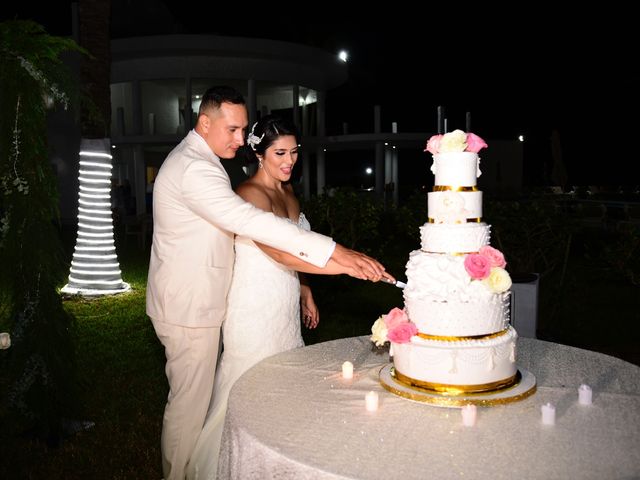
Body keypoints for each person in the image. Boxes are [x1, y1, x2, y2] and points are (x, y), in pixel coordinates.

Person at [146, 86, 393, 480]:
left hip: (214, 301)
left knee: (206, 400)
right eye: (232, 129)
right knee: (190, 407)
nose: (240, 139)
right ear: (204, 122)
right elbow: (253, 225)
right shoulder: (196, 168)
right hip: (191, 306)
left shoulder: (205, 162)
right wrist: (339, 256)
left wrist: (305, 286)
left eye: (243, 130)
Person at [186, 115, 343, 478]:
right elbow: (280, 253)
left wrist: (305, 289)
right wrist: (343, 264)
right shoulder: (247, 195)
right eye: (280, 153)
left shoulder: (288, 192)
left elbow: (295, 247)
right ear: (259, 154)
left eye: (294, 152)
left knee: (285, 378)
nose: (289, 161)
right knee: (249, 383)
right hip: (254, 305)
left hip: (283, 300)